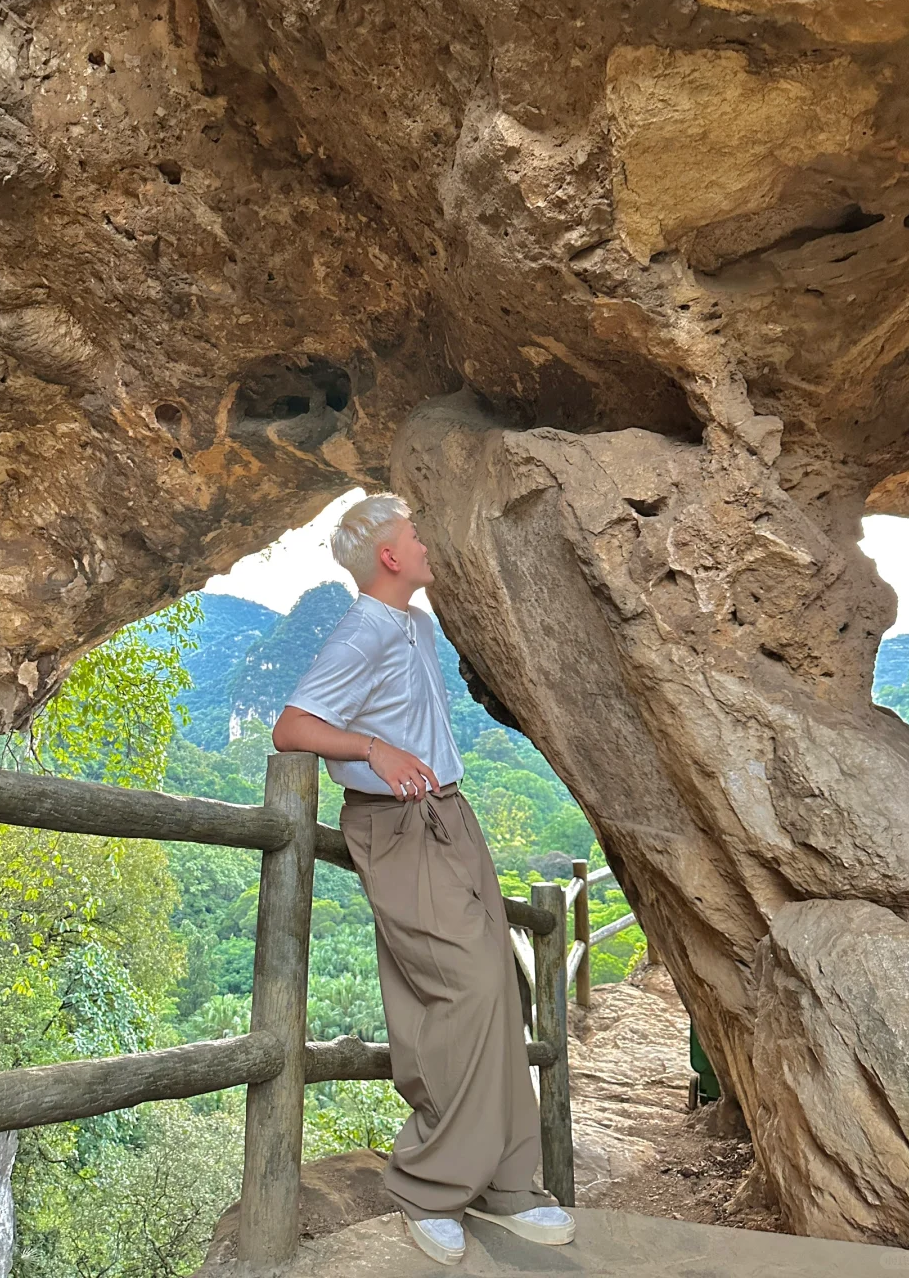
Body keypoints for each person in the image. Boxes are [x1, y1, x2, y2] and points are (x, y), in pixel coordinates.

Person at [272, 492, 576, 1267]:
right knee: (464, 986)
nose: (429, 542)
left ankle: (510, 1187)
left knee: (495, 990)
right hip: (399, 825)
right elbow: (293, 726)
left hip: (449, 815)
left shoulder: (416, 624)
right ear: (388, 556)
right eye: (417, 534)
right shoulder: (364, 626)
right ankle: (427, 1186)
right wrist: (374, 751)